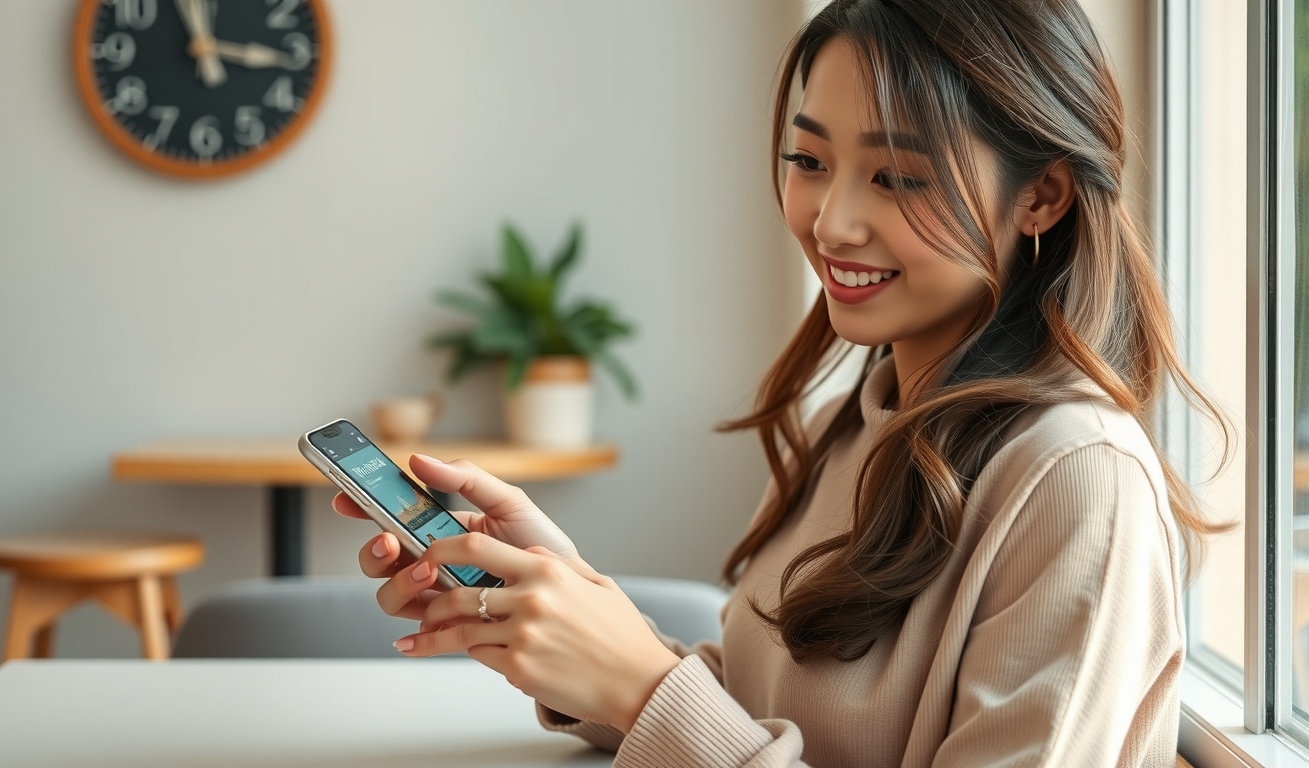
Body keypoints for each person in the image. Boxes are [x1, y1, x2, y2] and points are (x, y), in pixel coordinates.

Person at [331, 1, 1233, 764]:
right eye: (809, 161)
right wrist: (572, 618)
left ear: (1040, 196)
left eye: (898, 176)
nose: (832, 221)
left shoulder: (1078, 481)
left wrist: (646, 688)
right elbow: (771, 720)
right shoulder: (868, 414)